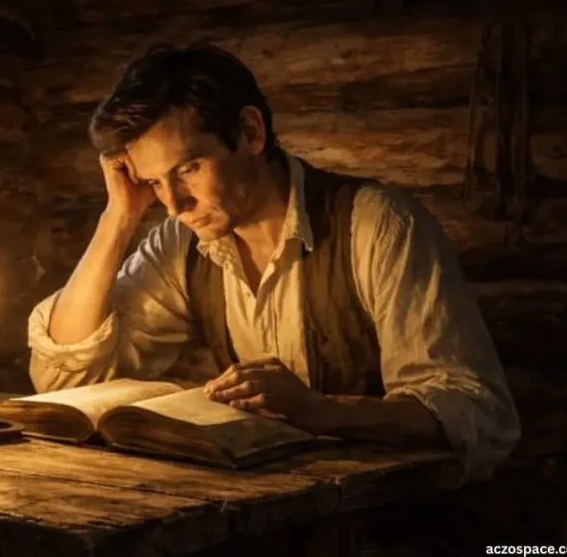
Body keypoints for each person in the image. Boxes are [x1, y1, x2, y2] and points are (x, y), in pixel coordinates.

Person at [26, 42, 520, 478]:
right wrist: (119, 216)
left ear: (250, 131)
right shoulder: (183, 240)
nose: (174, 203)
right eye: (155, 182)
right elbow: (65, 376)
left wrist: (322, 411)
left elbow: (475, 410)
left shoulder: (377, 224)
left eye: (189, 168)